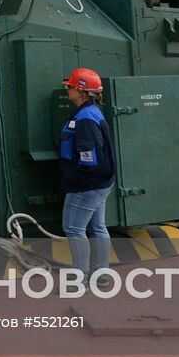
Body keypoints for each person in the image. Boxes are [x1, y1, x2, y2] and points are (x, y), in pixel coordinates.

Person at [59, 67, 116, 287]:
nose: (68, 89)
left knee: (74, 228)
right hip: (102, 183)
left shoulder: (84, 119)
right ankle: (101, 274)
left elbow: (88, 158)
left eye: (71, 87)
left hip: (86, 185)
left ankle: (79, 279)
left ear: (81, 92)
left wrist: (77, 181)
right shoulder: (91, 113)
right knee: (98, 227)